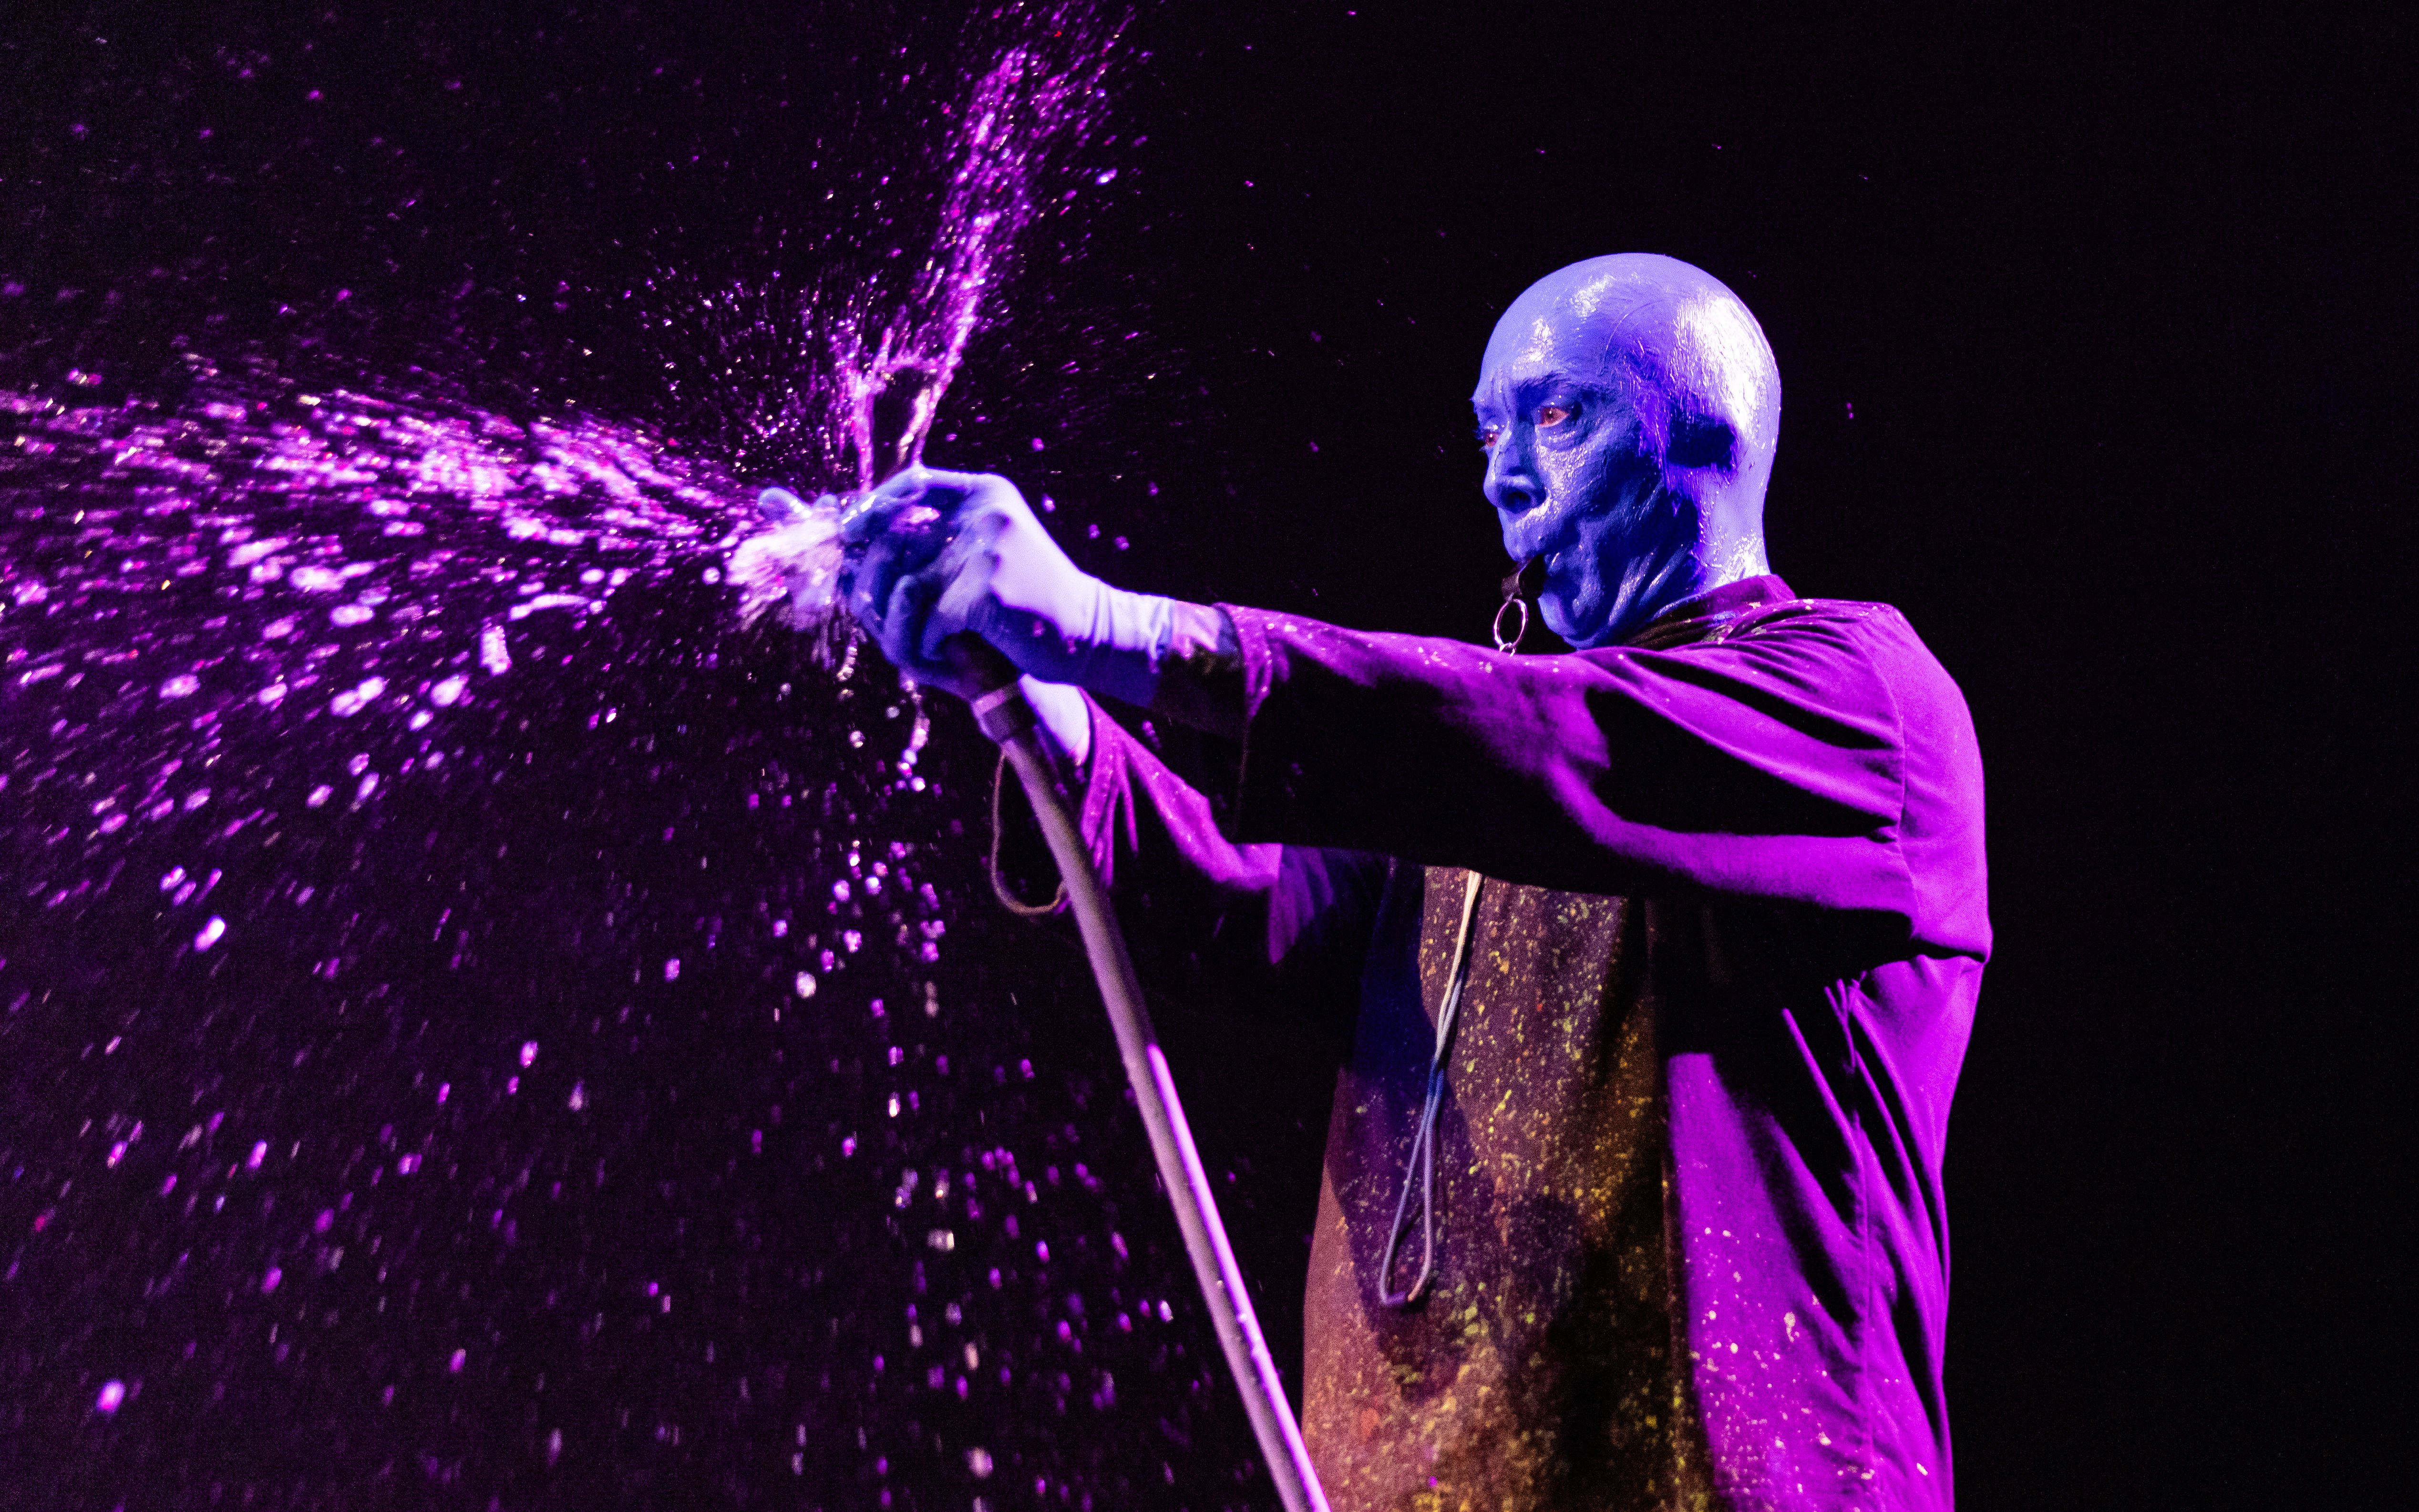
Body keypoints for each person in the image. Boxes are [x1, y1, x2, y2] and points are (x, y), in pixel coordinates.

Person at [832, 253, 1988, 1512]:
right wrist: (1041, 700)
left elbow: (1552, 749)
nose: (1497, 476)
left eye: (1553, 417)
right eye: (1487, 430)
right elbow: (1247, 902)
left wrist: (1122, 627)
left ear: (1698, 435)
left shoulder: (1857, 700)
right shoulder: (1470, 781)